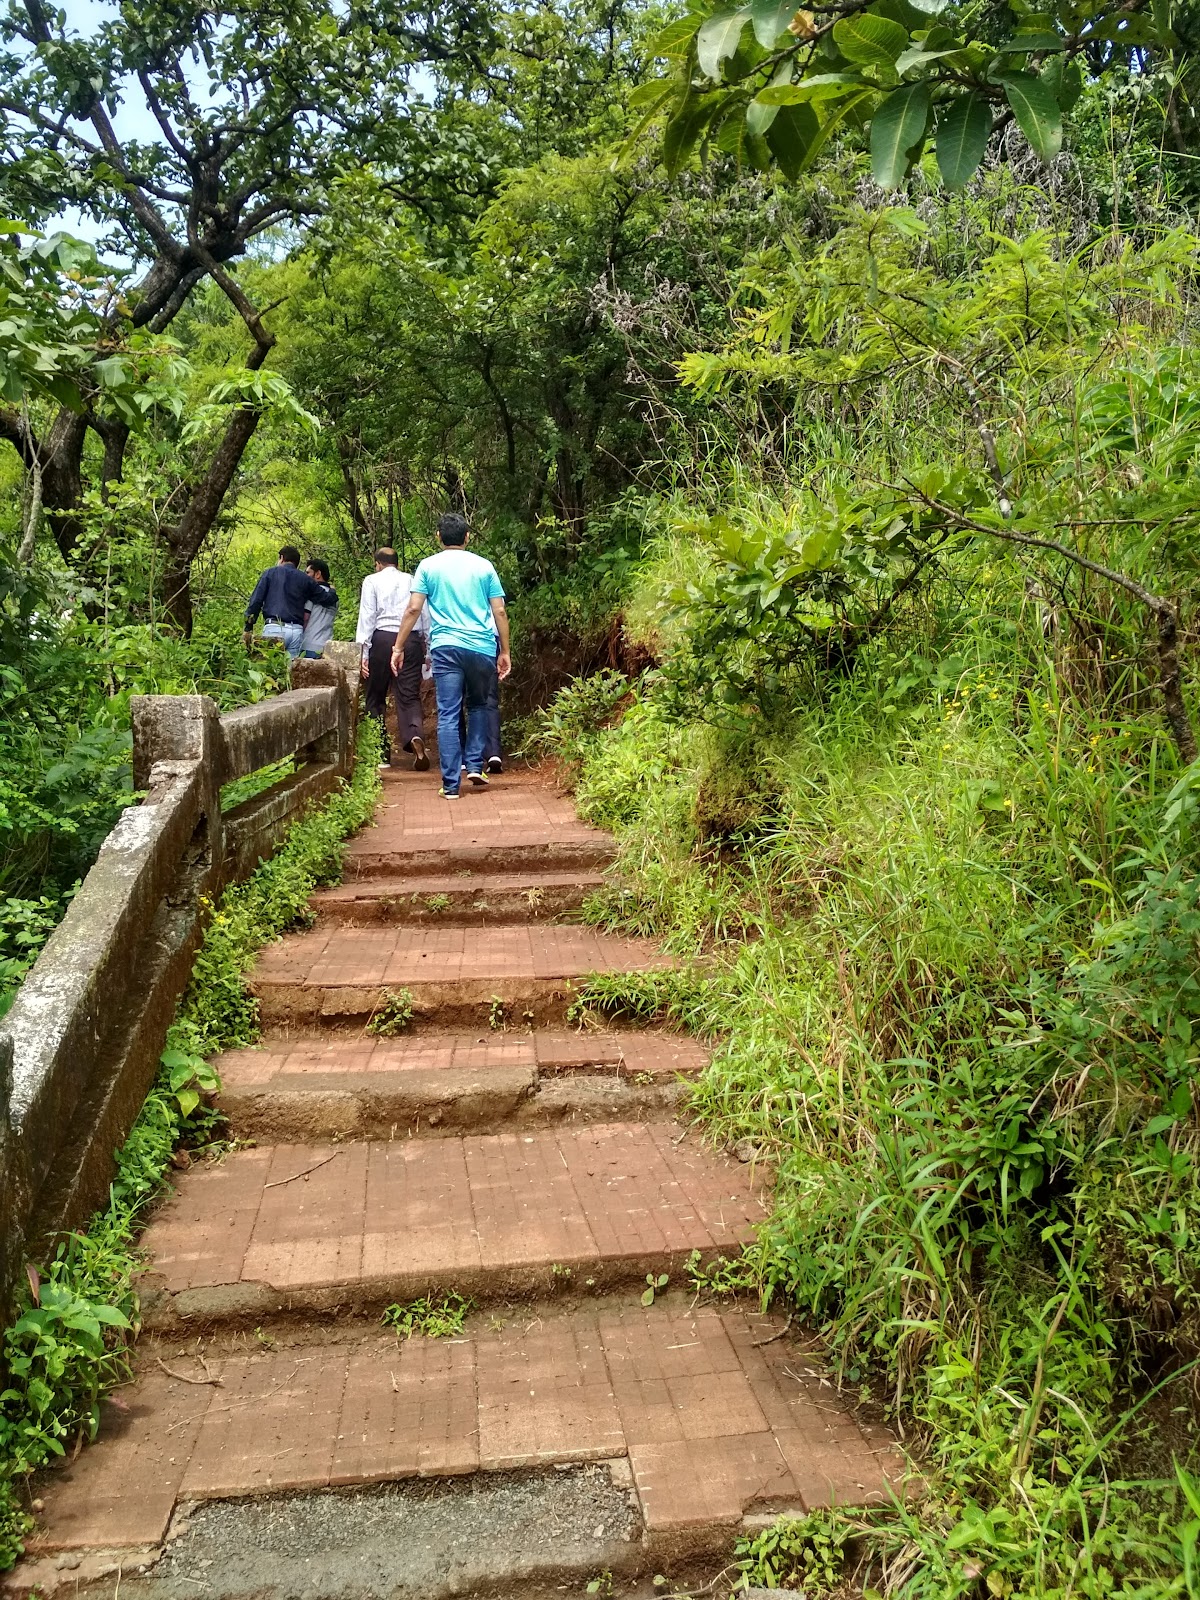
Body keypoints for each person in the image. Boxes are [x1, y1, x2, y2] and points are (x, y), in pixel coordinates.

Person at [391, 512, 510, 799]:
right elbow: (500, 611)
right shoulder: (484, 567)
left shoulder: (428, 566)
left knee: (448, 713)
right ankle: (474, 765)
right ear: (467, 537)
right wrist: (505, 650)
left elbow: (413, 609)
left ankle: (451, 785)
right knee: (480, 705)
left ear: (438, 537)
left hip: (445, 648)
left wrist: (398, 647)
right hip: (482, 646)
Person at [356, 546, 429, 770]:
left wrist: (362, 651)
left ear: (378, 563)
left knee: (376, 695)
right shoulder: (412, 579)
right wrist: (427, 646)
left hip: (382, 640)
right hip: (411, 639)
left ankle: (381, 753)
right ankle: (415, 736)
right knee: (409, 695)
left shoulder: (372, 581)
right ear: (396, 562)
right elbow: (422, 612)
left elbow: (367, 616)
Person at [244, 545, 336, 660]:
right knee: (290, 673)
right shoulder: (305, 579)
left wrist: (248, 627)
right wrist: (332, 590)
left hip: (275, 627)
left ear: (281, 558)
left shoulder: (270, 573)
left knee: (269, 669)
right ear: (297, 563)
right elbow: (327, 599)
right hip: (296, 631)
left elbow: (256, 601)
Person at [299, 558, 338, 659]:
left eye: (308, 572)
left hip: (308, 644)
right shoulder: (334, 597)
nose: (305, 576)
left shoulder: (313, 594)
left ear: (317, 574)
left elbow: (305, 618)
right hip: (326, 646)